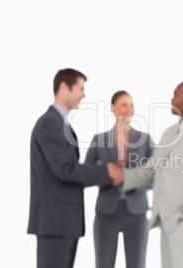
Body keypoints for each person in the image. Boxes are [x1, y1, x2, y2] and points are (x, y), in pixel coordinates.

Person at [27, 68, 124, 268]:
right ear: (64, 87)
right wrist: (106, 171)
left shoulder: (60, 124)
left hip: (63, 222)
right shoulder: (49, 124)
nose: (84, 94)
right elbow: (65, 169)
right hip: (55, 222)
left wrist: (108, 173)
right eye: (80, 88)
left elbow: (69, 174)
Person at [121, 81, 183, 268]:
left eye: (176, 95)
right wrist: (123, 177)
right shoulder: (169, 133)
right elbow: (151, 171)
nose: (172, 99)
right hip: (166, 223)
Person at [85, 90, 153, 268]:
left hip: (137, 213)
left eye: (131, 105)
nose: (128, 109)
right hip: (106, 213)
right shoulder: (99, 139)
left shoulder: (145, 140)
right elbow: (86, 175)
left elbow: (155, 175)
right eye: (124, 105)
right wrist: (109, 176)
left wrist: (129, 178)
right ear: (113, 109)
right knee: (103, 264)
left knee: (137, 264)